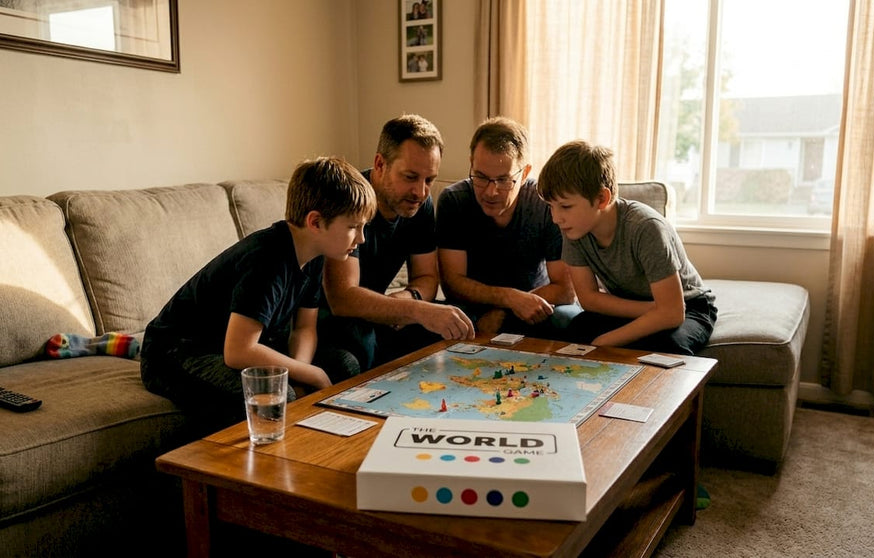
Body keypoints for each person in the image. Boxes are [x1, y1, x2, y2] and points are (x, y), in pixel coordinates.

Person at [140, 157, 376, 432]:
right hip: (176, 353)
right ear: (315, 222)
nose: (361, 239)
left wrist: (301, 373)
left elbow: (304, 329)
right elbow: (238, 351)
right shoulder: (267, 260)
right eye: (353, 227)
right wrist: (311, 375)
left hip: (235, 346)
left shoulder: (314, 256)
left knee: (344, 364)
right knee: (274, 395)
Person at [321, 114, 474, 371]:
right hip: (328, 318)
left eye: (429, 180)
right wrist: (414, 309)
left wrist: (409, 298)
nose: (421, 192)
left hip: (378, 312)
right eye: (410, 177)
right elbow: (343, 298)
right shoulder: (349, 201)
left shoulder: (420, 204)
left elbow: (427, 277)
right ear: (380, 164)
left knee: (453, 321)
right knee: (362, 340)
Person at [536, 140, 717, 355]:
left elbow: (672, 313)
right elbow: (589, 299)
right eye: (551, 207)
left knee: (668, 346)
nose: (556, 218)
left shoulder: (646, 228)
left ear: (602, 198)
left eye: (565, 206)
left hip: (689, 307)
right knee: (576, 330)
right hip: (639, 305)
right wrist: (650, 310)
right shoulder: (574, 229)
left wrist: (605, 341)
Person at [436, 117, 578, 338]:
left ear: (524, 174)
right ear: (471, 163)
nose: (490, 192)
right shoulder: (454, 201)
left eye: (503, 180)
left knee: (569, 320)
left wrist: (509, 309)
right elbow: (453, 284)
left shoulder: (546, 204)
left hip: (536, 301)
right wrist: (510, 299)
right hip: (473, 307)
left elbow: (566, 290)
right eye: (481, 177)